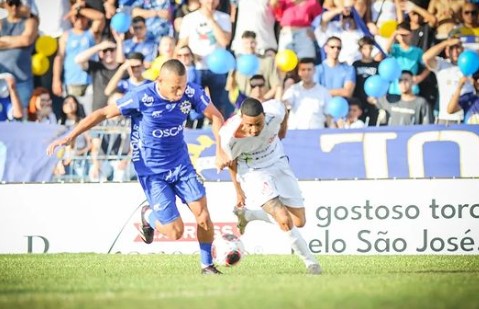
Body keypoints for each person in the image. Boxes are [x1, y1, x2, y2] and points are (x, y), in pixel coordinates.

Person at [47, 59, 228, 275]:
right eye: (174, 87)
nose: (180, 92)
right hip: (152, 172)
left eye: (182, 85)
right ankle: (149, 216)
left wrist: (220, 150)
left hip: (181, 165)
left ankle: (206, 265)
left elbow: (216, 116)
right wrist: (70, 136)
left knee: (204, 216)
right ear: (160, 81)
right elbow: (103, 113)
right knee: (175, 232)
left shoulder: (191, 92)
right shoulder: (142, 96)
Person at [218, 97, 321, 275]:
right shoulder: (229, 136)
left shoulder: (275, 111)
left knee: (298, 221)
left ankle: (249, 215)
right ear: (241, 117)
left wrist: (283, 130)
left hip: (278, 163)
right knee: (283, 218)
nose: (254, 130)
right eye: (249, 125)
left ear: (264, 116)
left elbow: (284, 108)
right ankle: (311, 263)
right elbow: (231, 164)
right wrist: (239, 192)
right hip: (253, 173)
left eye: (258, 123)